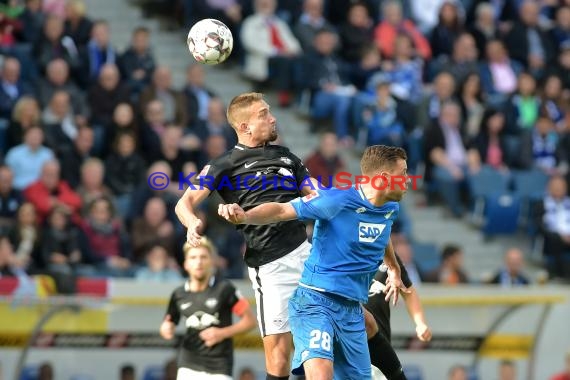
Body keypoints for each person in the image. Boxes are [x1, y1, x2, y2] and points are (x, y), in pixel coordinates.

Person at [218, 145, 409, 379]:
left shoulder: (390, 208)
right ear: (384, 178)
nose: (408, 180)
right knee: (321, 373)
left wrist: (394, 267)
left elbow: (383, 231)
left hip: (351, 311)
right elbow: (280, 210)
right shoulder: (335, 200)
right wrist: (245, 216)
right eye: (404, 173)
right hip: (315, 302)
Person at [175, 92, 320, 380]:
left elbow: (318, 194)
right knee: (279, 359)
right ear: (245, 127)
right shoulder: (224, 164)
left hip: (307, 255)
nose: (272, 117)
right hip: (271, 266)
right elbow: (184, 203)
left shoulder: (287, 156)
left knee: (330, 342)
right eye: (264, 114)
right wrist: (191, 223)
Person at [159, 238, 257, 379]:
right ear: (186, 264)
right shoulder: (179, 294)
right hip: (188, 365)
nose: (198, 262)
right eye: (193, 257)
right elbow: (168, 324)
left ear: (211, 261)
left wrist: (221, 333)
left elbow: (250, 322)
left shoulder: (225, 289)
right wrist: (166, 329)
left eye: (203, 257)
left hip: (220, 366)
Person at [365, 253, 432, 380]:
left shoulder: (387, 258)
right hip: (347, 346)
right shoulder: (337, 253)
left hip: (380, 348)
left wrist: (420, 323)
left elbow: (408, 291)